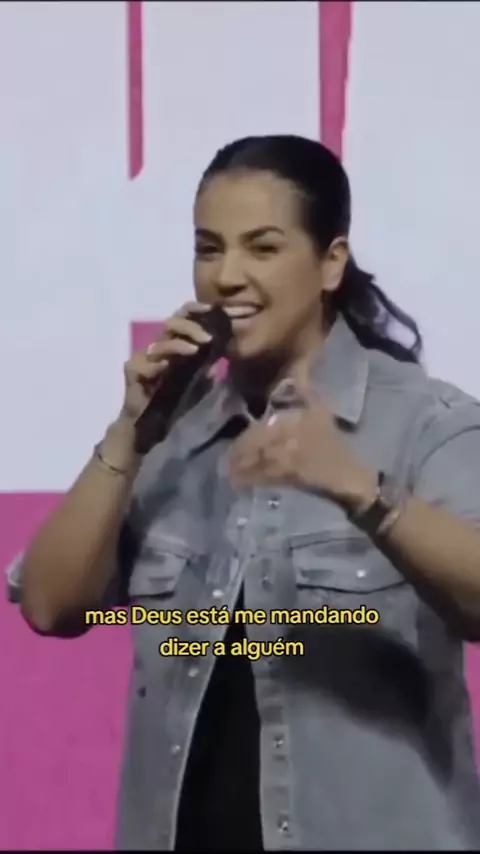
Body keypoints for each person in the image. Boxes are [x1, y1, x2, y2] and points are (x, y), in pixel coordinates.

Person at [7, 134, 480, 851]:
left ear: (330, 263)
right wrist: (131, 431)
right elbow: (50, 604)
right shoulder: (172, 435)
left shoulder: (426, 422)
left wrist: (361, 489)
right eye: (209, 249)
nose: (227, 277)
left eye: (262, 248)